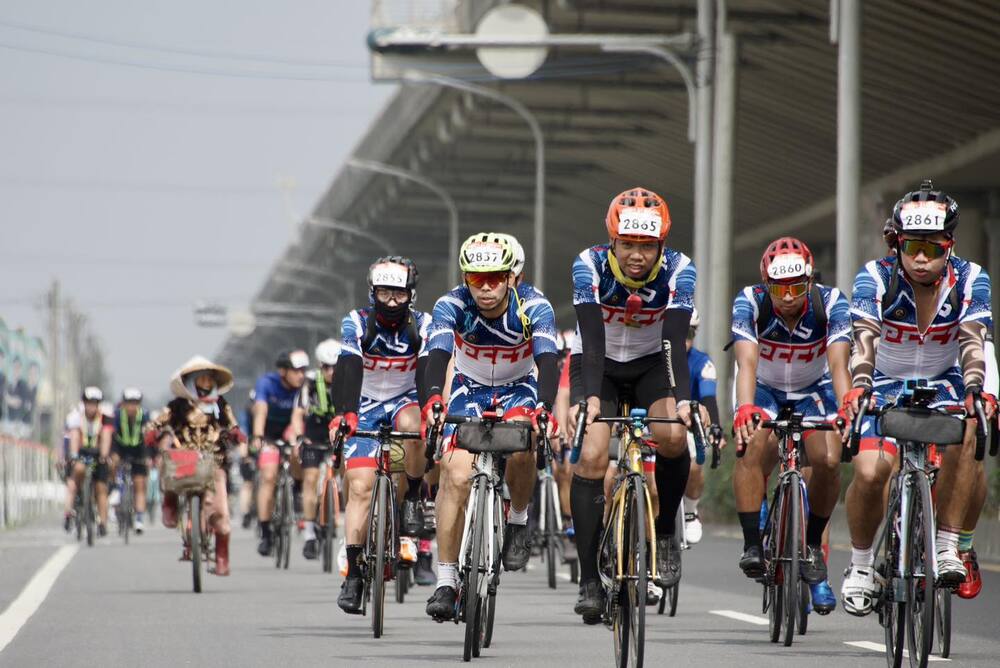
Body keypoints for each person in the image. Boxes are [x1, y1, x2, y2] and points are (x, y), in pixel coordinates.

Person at [840, 181, 995, 615]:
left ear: (950, 244)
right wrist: (860, 386)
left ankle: (947, 545)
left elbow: (972, 341)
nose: (922, 258)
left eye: (932, 247)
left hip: (946, 377)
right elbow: (865, 339)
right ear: (897, 242)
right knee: (870, 474)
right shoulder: (875, 277)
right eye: (912, 247)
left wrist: (973, 390)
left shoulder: (971, 278)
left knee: (969, 426)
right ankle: (861, 564)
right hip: (885, 378)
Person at [566, 187, 704, 623]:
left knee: (672, 434)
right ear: (613, 242)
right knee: (591, 454)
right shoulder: (588, 266)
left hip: (651, 363)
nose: (638, 255)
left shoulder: (680, 270)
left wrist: (682, 400)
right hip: (598, 363)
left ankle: (664, 534)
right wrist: (587, 399)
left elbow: (674, 344)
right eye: (628, 245)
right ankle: (589, 579)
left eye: (647, 246)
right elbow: (589, 341)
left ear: (661, 244)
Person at [421, 232, 559, 620]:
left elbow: (549, 362)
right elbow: (438, 354)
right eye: (475, 278)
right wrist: (433, 396)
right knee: (455, 474)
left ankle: (517, 521)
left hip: (520, 389)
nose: (484, 287)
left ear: (513, 275)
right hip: (469, 388)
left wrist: (544, 408)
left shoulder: (534, 305)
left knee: (523, 444)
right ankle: (446, 581)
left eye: (494, 277)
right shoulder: (452, 304)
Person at [730, 237, 849, 616]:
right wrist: (746, 409)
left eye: (796, 287)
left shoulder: (830, 303)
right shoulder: (749, 301)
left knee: (828, 459)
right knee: (754, 445)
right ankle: (752, 544)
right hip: (763, 387)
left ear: (810, 282)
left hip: (815, 388)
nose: (787, 296)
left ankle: (812, 546)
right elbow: (746, 364)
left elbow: (838, 365)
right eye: (779, 288)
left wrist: (847, 405)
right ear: (766, 284)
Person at [330, 256, 429, 614]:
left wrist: (432, 407)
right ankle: (354, 575)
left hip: (405, 401)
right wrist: (346, 414)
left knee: (415, 425)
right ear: (373, 292)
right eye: (384, 292)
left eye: (398, 294)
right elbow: (348, 367)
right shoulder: (355, 322)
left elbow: (428, 370)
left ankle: (414, 497)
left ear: (410, 295)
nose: (391, 301)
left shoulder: (424, 324)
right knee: (359, 486)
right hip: (366, 403)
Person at [147, 356, 243, 576]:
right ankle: (169, 503)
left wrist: (236, 432)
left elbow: (232, 423)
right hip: (185, 458)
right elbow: (159, 422)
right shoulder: (177, 406)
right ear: (191, 381)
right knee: (166, 466)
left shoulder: (220, 404)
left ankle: (221, 558)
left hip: (215, 461)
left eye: (210, 379)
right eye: (201, 378)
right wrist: (152, 431)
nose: (206, 383)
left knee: (220, 511)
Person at [248, 350, 309, 556]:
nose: (300, 375)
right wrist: (257, 435)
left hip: (290, 430)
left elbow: (297, 418)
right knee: (269, 475)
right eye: (296, 371)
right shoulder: (267, 383)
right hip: (268, 433)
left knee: (298, 451)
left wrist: (296, 439)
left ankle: (298, 489)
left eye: (303, 371)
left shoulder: (304, 387)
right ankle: (266, 533)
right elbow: (260, 411)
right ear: (283, 371)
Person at [676, 307, 725, 545]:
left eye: (689, 333)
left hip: (687, 425)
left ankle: (690, 510)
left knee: (695, 466)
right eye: (677, 332)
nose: (683, 340)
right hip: (658, 422)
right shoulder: (653, 359)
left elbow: (708, 399)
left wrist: (715, 427)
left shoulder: (701, 362)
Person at [291, 338, 340, 560]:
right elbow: (298, 413)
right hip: (315, 433)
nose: (332, 372)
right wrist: (300, 437)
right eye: (327, 367)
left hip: (340, 432)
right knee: (310, 479)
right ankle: (310, 534)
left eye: (336, 367)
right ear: (321, 366)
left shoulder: (350, 379)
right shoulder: (309, 382)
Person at [63, 386, 113, 534]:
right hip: (81, 453)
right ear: (84, 403)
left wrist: (104, 456)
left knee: (101, 488)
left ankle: (103, 523)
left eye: (94, 403)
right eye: (88, 402)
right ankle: (68, 514)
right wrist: (73, 455)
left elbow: (106, 437)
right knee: (74, 479)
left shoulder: (106, 418)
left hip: (98, 454)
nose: (91, 406)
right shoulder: (76, 417)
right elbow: (74, 436)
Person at [111, 387, 150, 533]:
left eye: (135, 403)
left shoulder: (145, 416)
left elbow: (150, 438)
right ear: (123, 404)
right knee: (113, 463)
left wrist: (148, 456)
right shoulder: (116, 415)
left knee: (140, 484)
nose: (132, 407)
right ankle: (115, 487)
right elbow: (111, 436)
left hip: (139, 450)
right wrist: (112, 454)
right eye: (129, 403)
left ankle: (139, 518)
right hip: (120, 448)